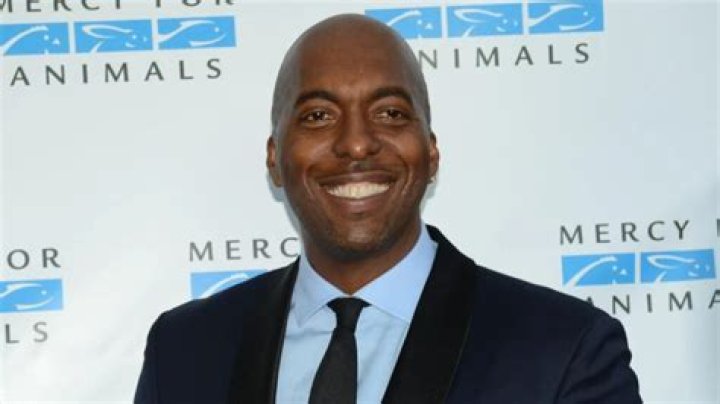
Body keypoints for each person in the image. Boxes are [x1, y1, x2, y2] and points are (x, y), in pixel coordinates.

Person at [134, 14, 642, 404]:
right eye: (318, 115)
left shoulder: (562, 349)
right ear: (274, 158)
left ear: (431, 151)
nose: (356, 143)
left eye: (391, 113)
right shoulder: (184, 352)